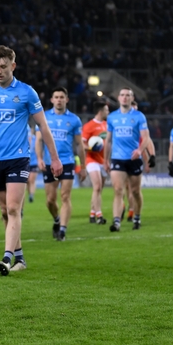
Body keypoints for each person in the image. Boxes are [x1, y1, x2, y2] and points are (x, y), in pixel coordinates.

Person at [0, 45, 62, 275]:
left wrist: (55, 158)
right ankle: (19, 258)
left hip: (19, 158)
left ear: (13, 65)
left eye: (3, 66)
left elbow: (43, 126)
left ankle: (7, 257)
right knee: (3, 210)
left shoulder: (27, 92)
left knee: (13, 208)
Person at [36, 87, 86, 241]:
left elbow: (79, 145)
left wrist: (83, 166)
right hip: (50, 162)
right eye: (56, 97)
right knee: (50, 200)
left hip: (67, 162)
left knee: (65, 196)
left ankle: (63, 230)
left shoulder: (74, 120)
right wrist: (39, 158)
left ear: (66, 99)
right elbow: (38, 140)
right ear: (52, 100)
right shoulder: (44, 117)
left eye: (61, 97)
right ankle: (57, 219)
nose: (59, 100)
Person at [104, 88, 155, 231]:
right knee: (118, 190)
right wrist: (105, 160)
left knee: (135, 192)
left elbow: (146, 138)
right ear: (118, 98)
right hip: (117, 158)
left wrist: (139, 150)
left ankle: (137, 217)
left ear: (132, 98)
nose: (125, 97)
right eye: (122, 95)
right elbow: (108, 140)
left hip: (134, 159)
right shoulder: (112, 117)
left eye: (128, 95)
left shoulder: (139, 116)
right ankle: (116, 222)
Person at [82, 101, 109, 224]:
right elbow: (82, 144)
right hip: (91, 160)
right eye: (106, 110)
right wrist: (92, 148)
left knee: (99, 189)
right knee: (97, 187)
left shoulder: (106, 125)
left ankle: (92, 213)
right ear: (100, 111)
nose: (108, 112)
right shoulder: (89, 126)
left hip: (103, 160)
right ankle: (99, 216)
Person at [26, 125, 39, 203]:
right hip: (26, 162)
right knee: (27, 180)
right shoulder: (24, 139)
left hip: (34, 162)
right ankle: (29, 193)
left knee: (32, 179)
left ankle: (31, 195)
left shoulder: (35, 139)